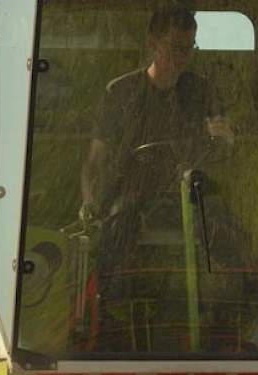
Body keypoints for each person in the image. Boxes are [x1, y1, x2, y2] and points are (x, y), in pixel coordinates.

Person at [79, 4, 233, 222]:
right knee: (116, 231)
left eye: (189, 48)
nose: (183, 57)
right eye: (175, 47)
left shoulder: (203, 93)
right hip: (131, 199)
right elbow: (95, 160)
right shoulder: (120, 93)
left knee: (224, 228)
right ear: (153, 44)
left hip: (190, 197)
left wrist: (226, 141)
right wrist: (89, 202)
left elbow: (222, 157)